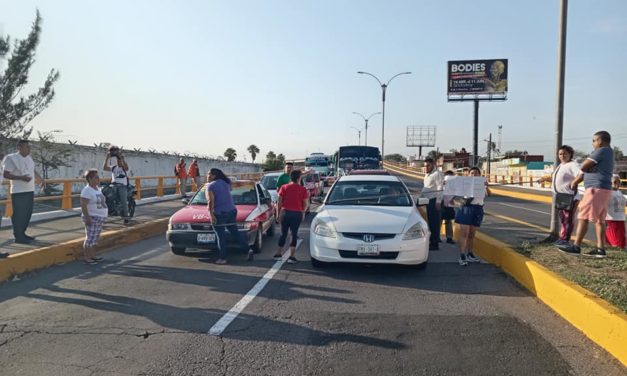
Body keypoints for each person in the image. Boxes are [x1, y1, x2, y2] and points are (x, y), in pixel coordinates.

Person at [558, 131, 614, 258]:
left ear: (601, 141)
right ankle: (600, 249)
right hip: (603, 188)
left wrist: (581, 173)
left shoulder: (601, 151)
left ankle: (576, 246)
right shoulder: (609, 152)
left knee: (583, 216)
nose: (593, 143)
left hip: (595, 189)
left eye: (594, 140)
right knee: (600, 220)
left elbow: (584, 166)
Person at [2, 139, 44, 244]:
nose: (29, 149)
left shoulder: (29, 158)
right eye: (27, 147)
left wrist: (40, 179)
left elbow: (32, 170)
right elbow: (6, 174)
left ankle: (23, 233)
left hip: (29, 189)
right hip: (18, 191)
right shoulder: (12, 158)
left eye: (29, 147)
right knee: (19, 214)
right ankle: (18, 236)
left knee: (27, 213)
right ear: (19, 147)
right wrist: (21, 178)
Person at [539, 145, 583, 245]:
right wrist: (545, 179)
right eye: (560, 154)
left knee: (568, 219)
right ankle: (562, 238)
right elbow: (557, 179)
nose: (562, 155)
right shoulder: (561, 165)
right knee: (563, 219)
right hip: (561, 196)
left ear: (570, 154)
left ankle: (565, 240)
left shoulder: (572, 164)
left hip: (570, 197)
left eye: (565, 153)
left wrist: (574, 183)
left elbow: (581, 175)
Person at [206, 168, 252, 264]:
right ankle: (248, 249)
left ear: (214, 176)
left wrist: (211, 214)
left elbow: (211, 201)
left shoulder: (210, 186)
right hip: (231, 211)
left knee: (220, 236)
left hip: (220, 213)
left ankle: (223, 258)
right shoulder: (226, 182)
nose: (207, 176)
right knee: (235, 232)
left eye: (209, 175)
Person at [455, 167, 490, 266]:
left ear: (479, 174)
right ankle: (462, 255)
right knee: (464, 233)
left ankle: (470, 254)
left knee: (471, 234)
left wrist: (486, 187)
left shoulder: (482, 183)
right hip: (467, 208)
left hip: (478, 209)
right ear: (469, 175)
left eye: (476, 173)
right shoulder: (465, 183)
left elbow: (489, 194)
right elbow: (456, 190)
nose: (474, 175)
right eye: (472, 173)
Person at [274, 169, 309, 263]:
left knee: (283, 233)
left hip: (285, 212)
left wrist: (278, 214)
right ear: (299, 178)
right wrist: (303, 212)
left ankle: (278, 254)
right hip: (297, 214)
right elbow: (305, 204)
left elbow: (279, 202)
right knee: (294, 234)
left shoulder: (284, 187)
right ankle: (292, 256)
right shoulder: (303, 189)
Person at [79, 169, 108, 265]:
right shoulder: (87, 190)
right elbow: (83, 205)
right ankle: (87, 257)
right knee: (90, 238)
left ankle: (93, 255)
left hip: (99, 217)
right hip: (92, 217)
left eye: (98, 177)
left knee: (95, 238)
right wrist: (87, 218)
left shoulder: (97, 189)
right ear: (90, 179)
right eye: (96, 177)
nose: (98, 179)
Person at [421, 157, 444, 250]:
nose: (426, 167)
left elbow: (440, 188)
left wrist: (438, 201)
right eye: (425, 166)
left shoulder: (437, 174)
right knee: (430, 223)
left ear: (433, 165)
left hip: (434, 201)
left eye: (428, 166)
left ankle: (435, 244)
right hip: (427, 201)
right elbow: (426, 188)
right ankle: (431, 241)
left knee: (434, 223)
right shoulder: (427, 175)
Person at [103, 146, 130, 224]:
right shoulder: (114, 168)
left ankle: (126, 217)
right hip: (113, 185)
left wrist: (122, 158)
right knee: (104, 195)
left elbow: (126, 167)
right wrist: (107, 158)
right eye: (118, 160)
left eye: (120, 160)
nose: (119, 162)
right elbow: (104, 168)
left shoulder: (124, 168)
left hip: (122, 186)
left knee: (123, 201)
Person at [605, 175, 625, 250]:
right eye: (615, 182)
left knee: (621, 244)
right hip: (611, 220)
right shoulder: (606, 192)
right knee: (615, 243)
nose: (617, 183)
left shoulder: (619, 192)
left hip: (621, 220)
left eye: (619, 181)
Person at [440, 170, 456, 244]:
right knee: (439, 221)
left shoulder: (455, 185)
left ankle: (449, 238)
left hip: (449, 205)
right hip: (440, 204)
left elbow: (458, 193)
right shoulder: (441, 183)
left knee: (448, 221)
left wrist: (453, 199)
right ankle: (437, 236)